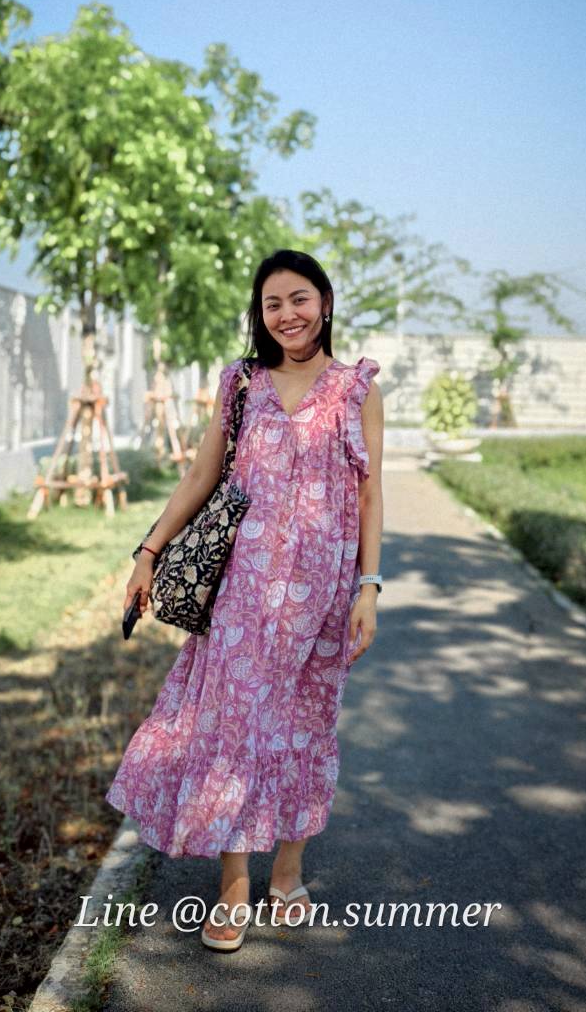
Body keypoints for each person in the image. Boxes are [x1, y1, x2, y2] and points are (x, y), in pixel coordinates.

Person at [105, 249, 384, 950]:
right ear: (259, 315)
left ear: (324, 302)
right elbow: (203, 473)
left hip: (323, 593)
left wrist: (369, 589)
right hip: (243, 590)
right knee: (233, 730)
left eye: (299, 299)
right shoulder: (241, 383)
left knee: (304, 726)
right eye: (272, 304)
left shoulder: (356, 389)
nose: (287, 314)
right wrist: (148, 551)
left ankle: (286, 874)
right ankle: (233, 884)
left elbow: (370, 495)